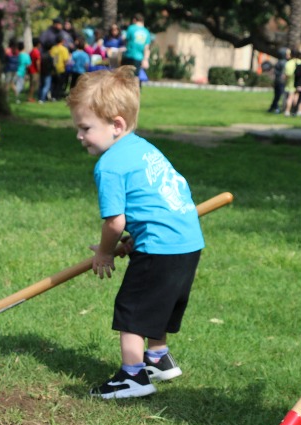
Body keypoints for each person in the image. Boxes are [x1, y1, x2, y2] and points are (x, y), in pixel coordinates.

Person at [65, 67, 205, 399]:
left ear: (116, 124)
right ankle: (158, 357)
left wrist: (104, 251)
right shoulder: (143, 149)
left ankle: (133, 377)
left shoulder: (110, 164)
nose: (79, 135)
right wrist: (135, 239)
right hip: (186, 241)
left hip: (160, 247)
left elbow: (114, 221)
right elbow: (159, 200)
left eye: (85, 128)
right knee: (159, 304)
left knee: (132, 311)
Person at [121, 14, 151, 80]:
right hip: (139, 58)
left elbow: (125, 40)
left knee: (123, 76)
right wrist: (145, 60)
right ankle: (135, 89)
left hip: (129, 55)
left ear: (134, 20)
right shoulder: (146, 31)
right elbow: (147, 48)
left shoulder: (131, 28)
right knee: (135, 77)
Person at [49, 35, 71, 100]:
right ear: (62, 41)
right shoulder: (64, 49)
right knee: (59, 84)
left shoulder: (53, 48)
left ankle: (52, 96)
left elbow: (51, 58)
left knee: (53, 84)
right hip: (61, 69)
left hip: (53, 69)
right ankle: (57, 97)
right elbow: (65, 60)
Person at [268, 47, 289, 113]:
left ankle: (273, 107)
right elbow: (284, 73)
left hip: (277, 80)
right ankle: (278, 108)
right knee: (281, 95)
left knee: (277, 95)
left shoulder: (278, 62)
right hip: (281, 81)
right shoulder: (284, 62)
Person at [27, 37, 41, 102]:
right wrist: (39, 70)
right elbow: (37, 62)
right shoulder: (36, 52)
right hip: (35, 71)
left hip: (30, 70)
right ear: (38, 44)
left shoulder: (31, 51)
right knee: (33, 85)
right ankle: (30, 98)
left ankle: (30, 97)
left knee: (31, 85)